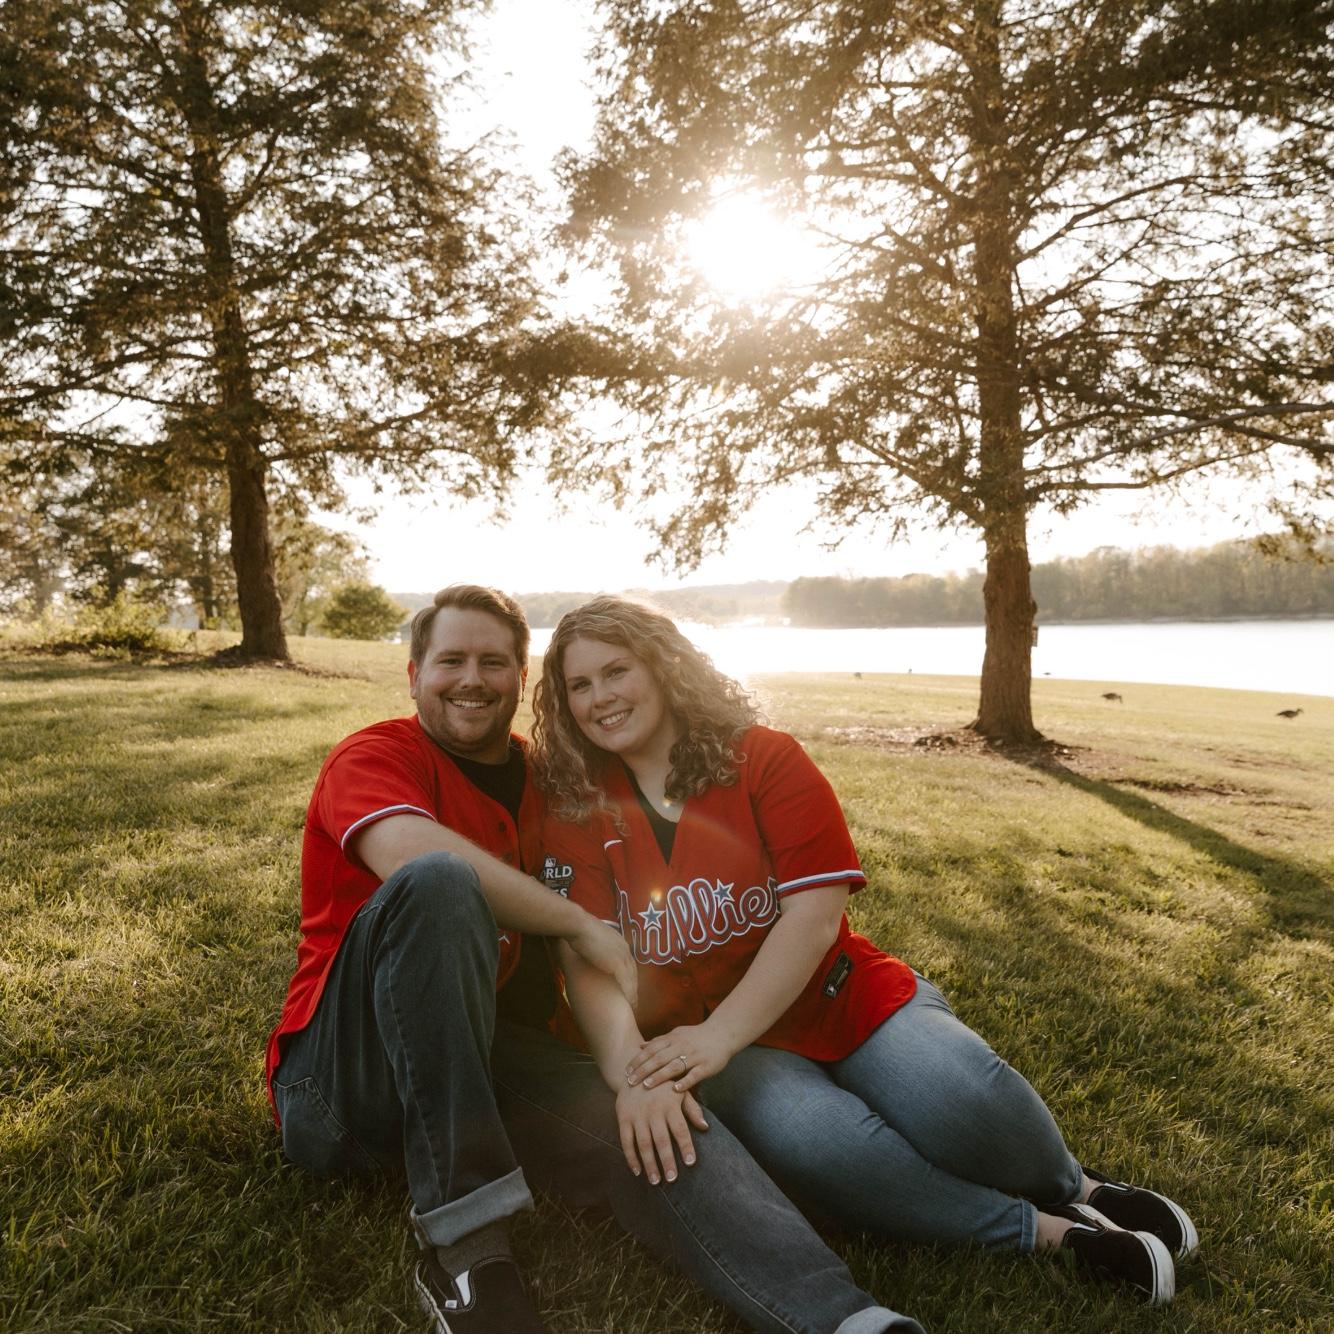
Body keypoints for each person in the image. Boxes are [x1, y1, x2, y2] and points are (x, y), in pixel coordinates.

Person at [265, 584, 922, 1334]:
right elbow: (407, 853)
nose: (472, 679)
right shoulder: (374, 755)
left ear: (522, 679)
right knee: (440, 882)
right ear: (415, 675)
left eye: (493, 662)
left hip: (488, 1064)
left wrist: (633, 1068)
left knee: (653, 1115)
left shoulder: (553, 783)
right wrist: (575, 922)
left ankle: (844, 1317)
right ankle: (469, 1255)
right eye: (451, 661)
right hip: (345, 1088)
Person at [530, 595, 1199, 1310]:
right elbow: (585, 960)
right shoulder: (576, 806)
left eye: (616, 671)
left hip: (833, 994)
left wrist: (719, 1034)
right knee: (825, 1145)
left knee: (966, 1103)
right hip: (720, 1046)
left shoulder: (762, 757)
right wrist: (635, 1073)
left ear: (662, 668)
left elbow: (814, 919)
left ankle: (1077, 1187)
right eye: (579, 685)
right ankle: (1047, 1233)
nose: (600, 697)